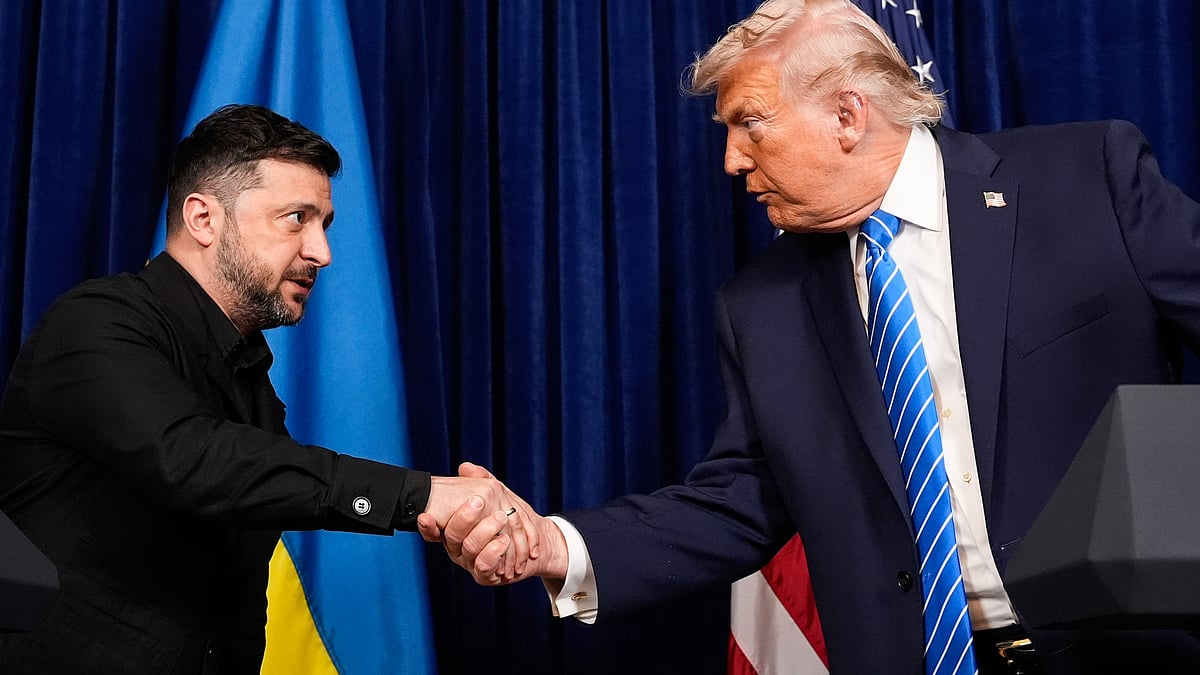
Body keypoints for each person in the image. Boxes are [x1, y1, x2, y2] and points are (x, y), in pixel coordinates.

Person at [422, 1, 1200, 674]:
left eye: (749, 125)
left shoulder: (1085, 177)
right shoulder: (762, 305)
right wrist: (558, 546)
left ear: (847, 114)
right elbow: (739, 502)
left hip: (1132, 651)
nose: (731, 160)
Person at [0, 104, 533, 674]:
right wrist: (422, 495)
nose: (321, 253)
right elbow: (191, 462)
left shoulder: (251, 384)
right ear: (203, 219)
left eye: (323, 224)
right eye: (296, 218)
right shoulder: (97, 320)